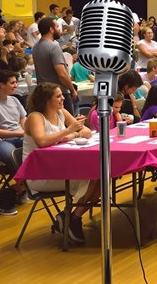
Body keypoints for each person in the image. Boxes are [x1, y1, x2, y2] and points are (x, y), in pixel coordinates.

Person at [22, 83, 100, 243]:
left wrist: (70, 134)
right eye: (58, 96)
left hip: (59, 167)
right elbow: (42, 141)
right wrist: (68, 131)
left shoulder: (61, 112)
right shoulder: (35, 117)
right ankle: (71, 220)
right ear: (46, 100)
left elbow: (85, 132)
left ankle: (72, 218)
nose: (63, 98)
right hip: (40, 174)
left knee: (102, 177)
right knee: (94, 177)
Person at [33, 18, 78, 114]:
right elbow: (61, 73)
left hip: (43, 93)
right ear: (51, 29)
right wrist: (72, 90)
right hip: (58, 93)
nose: (60, 29)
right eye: (57, 27)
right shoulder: (53, 47)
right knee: (69, 124)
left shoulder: (35, 47)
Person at [0, 70, 26, 215]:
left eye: (16, 82)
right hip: (3, 140)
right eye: (12, 83)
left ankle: (17, 189)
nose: (16, 85)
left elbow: (23, 119)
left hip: (20, 134)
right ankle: (22, 187)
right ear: (1, 85)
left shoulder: (14, 100)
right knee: (11, 156)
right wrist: (19, 132)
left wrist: (26, 130)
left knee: (36, 150)